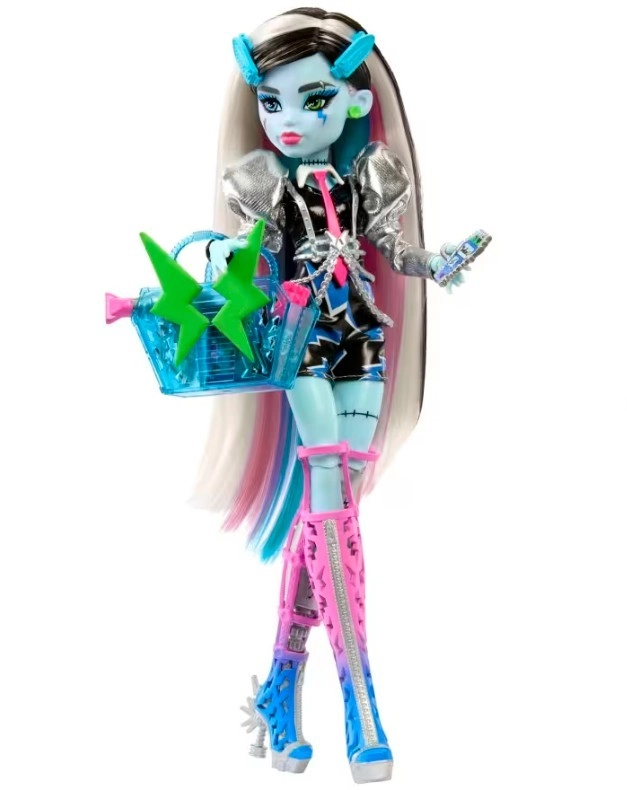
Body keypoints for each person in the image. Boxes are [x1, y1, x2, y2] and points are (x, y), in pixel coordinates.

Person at [193, 8, 487, 783]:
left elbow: (395, 253)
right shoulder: (262, 186)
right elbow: (249, 260)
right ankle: (362, 704)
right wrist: (223, 259)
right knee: (331, 502)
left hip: (361, 339)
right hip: (302, 347)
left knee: (333, 511)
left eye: (313, 99)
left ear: (355, 102)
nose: (288, 120)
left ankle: (281, 687)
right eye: (271, 102)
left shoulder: (367, 180)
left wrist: (436, 263)